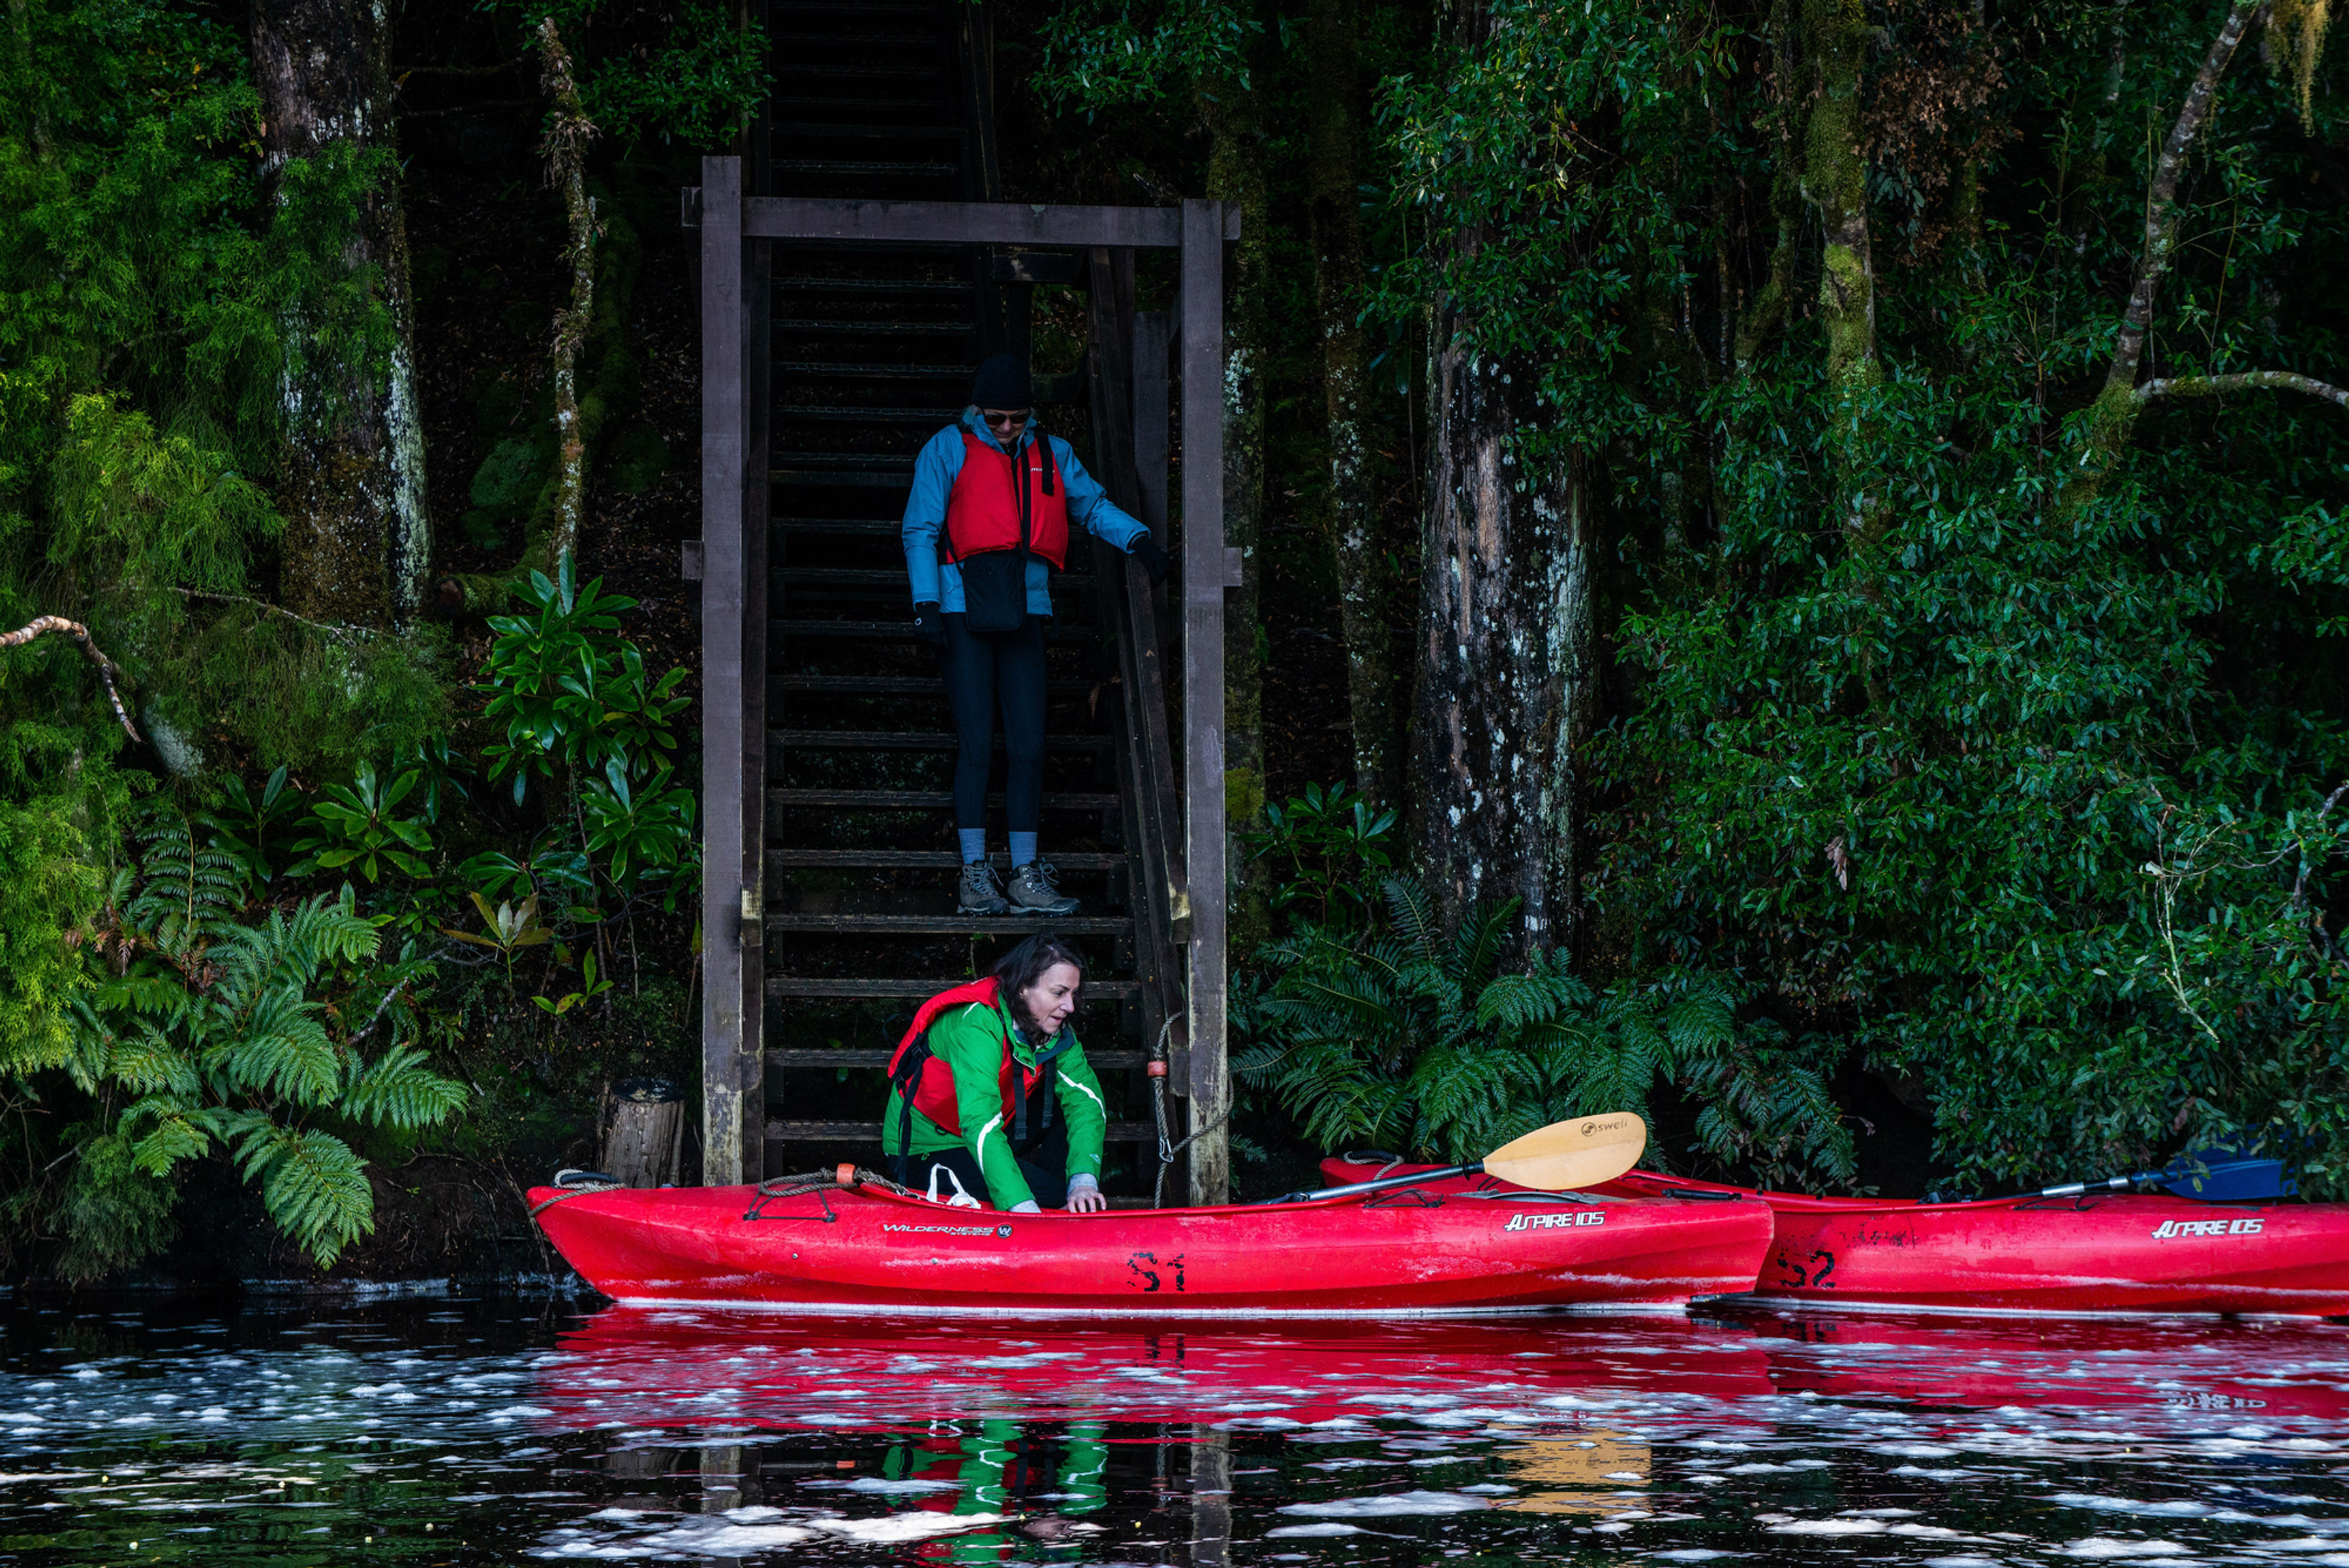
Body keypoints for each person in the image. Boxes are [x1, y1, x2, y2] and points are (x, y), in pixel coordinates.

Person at [902, 353, 1171, 916]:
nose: (1006, 429)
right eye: (996, 418)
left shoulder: (1052, 454)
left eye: (1016, 419)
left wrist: (1141, 542)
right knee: (978, 743)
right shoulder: (947, 449)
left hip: (1026, 610)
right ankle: (976, 872)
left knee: (1029, 744)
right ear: (978, 411)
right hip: (961, 610)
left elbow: (1092, 506)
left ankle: (1025, 873)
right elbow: (921, 529)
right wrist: (926, 605)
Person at [882, 933, 1112, 1213]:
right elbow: (978, 1121)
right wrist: (1021, 1204)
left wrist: (1083, 1181)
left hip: (995, 1126)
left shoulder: (1052, 1027)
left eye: (1073, 994)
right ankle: (1048, 1198)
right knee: (1047, 1198)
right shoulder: (977, 1024)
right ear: (1023, 988)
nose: (1070, 1006)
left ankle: (1060, 1191)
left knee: (1070, 1110)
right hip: (926, 1147)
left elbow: (1086, 1101)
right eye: (1059, 993)